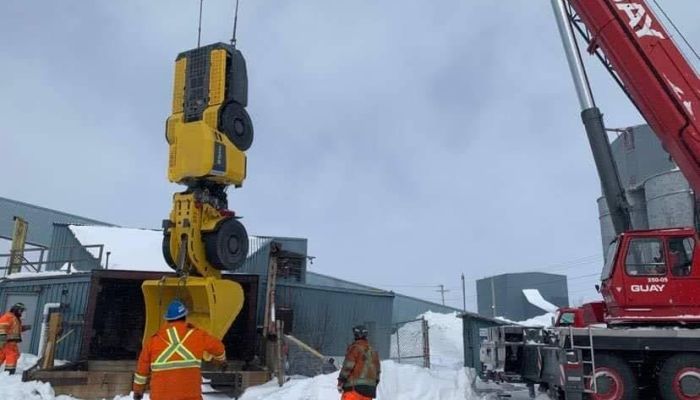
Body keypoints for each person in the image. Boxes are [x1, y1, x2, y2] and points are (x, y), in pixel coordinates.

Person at [132, 300, 227, 400]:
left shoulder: (154, 341)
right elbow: (218, 347)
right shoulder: (197, 335)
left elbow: (141, 370)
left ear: (167, 319)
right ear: (185, 317)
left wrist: (138, 391)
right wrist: (221, 361)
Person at [337, 325, 381, 400]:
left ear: (356, 335)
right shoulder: (373, 352)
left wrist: (341, 381)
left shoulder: (355, 348)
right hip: (369, 392)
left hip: (354, 389)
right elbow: (377, 373)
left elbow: (348, 366)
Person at [0, 302, 31, 375]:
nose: (23, 313)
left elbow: (14, 329)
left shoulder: (15, 318)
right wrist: (1, 341)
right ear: (17, 310)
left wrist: (24, 328)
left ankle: (8, 372)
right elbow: (1, 328)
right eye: (22, 311)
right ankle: (9, 372)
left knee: (2, 355)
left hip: (9, 341)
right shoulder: (8, 317)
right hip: (7, 341)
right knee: (12, 355)